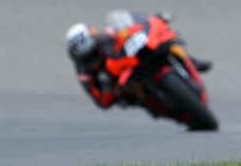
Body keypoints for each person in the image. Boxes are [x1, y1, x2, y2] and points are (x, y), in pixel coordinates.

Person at [65, 11, 211, 110]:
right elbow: (102, 102)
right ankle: (158, 104)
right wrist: (108, 87)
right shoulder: (85, 74)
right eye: (88, 56)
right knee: (136, 98)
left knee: (166, 42)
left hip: (131, 62)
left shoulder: (107, 36)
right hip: (123, 87)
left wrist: (147, 23)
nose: (92, 58)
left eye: (93, 52)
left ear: (96, 40)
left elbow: (128, 28)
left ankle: (192, 61)